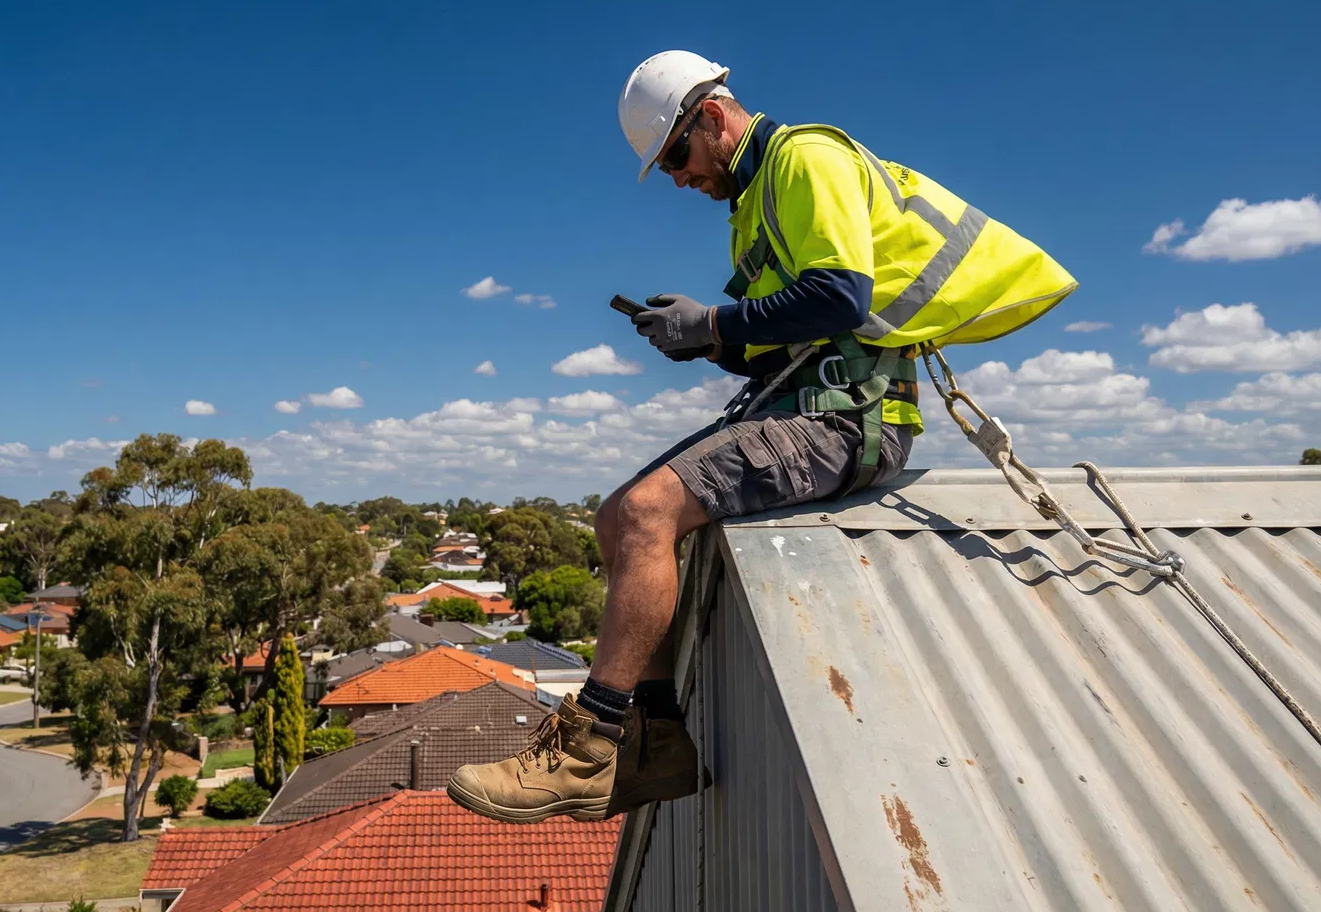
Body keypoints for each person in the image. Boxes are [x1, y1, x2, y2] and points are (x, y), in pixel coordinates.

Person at [447, 51, 1076, 824]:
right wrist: (704, 339)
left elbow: (840, 299)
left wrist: (712, 321)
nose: (679, 178)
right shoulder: (754, 209)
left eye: (676, 154)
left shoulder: (804, 159)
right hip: (805, 407)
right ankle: (655, 743)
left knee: (650, 513)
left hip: (849, 420)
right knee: (617, 516)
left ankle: (587, 748)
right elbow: (780, 343)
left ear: (713, 117)